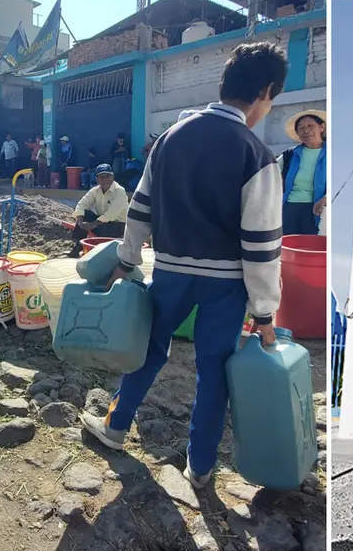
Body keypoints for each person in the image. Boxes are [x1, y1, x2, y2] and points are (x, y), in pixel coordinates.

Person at [80, 42, 289, 489]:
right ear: (266, 92)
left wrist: (125, 260)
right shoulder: (258, 156)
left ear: (224, 83)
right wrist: (264, 312)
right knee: (214, 370)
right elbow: (261, 246)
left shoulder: (169, 140)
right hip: (226, 286)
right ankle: (201, 467)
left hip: (170, 272)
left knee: (146, 351)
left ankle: (115, 428)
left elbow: (140, 208)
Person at [277, 110, 327, 235]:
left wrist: (326, 198)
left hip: (317, 210)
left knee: (311, 248)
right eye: (301, 128)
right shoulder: (289, 155)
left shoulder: (332, 154)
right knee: (286, 247)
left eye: (310, 126)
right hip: (288, 208)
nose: (306, 130)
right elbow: (268, 174)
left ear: (321, 127)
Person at [68, 164, 128, 257]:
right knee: (85, 214)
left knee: (95, 220)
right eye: (101, 177)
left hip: (118, 227)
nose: (105, 179)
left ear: (112, 177)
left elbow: (112, 214)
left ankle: (82, 247)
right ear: (97, 179)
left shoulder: (119, 191)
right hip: (102, 224)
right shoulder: (95, 191)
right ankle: (77, 247)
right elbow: (82, 204)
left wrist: (92, 224)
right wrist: (80, 221)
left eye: (108, 176)